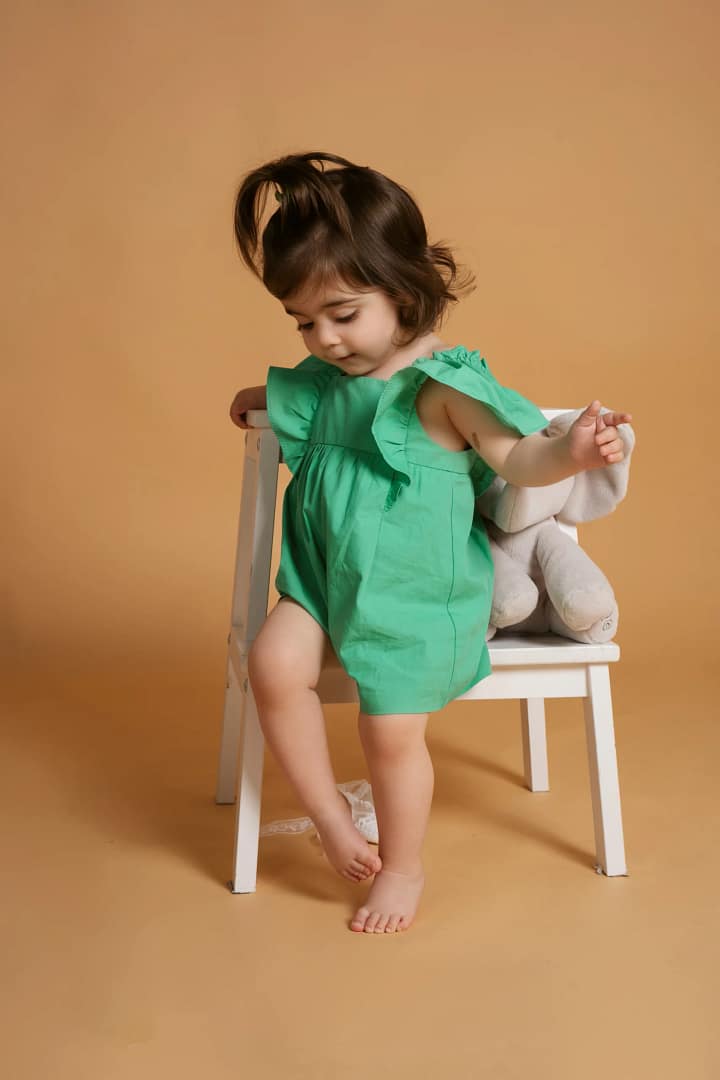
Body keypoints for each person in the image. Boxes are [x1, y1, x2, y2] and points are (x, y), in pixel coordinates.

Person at [229, 152, 632, 935]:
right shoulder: (327, 384)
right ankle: (334, 821)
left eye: (342, 315)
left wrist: (574, 451)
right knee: (271, 666)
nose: (323, 339)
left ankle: (403, 865)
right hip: (321, 584)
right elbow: (281, 398)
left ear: (404, 292)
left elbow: (520, 460)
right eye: (303, 321)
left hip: (416, 600)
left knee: (389, 730)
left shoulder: (446, 387)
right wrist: (259, 398)